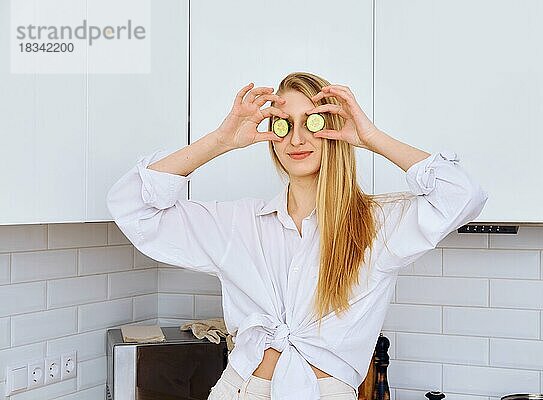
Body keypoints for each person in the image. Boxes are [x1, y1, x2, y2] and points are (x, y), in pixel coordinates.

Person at [106, 72, 489, 400]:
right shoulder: (238, 223)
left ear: (334, 131)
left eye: (314, 122)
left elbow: (462, 194)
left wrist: (370, 136)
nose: (297, 139)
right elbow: (132, 207)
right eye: (284, 124)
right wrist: (220, 140)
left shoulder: (377, 224)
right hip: (242, 390)